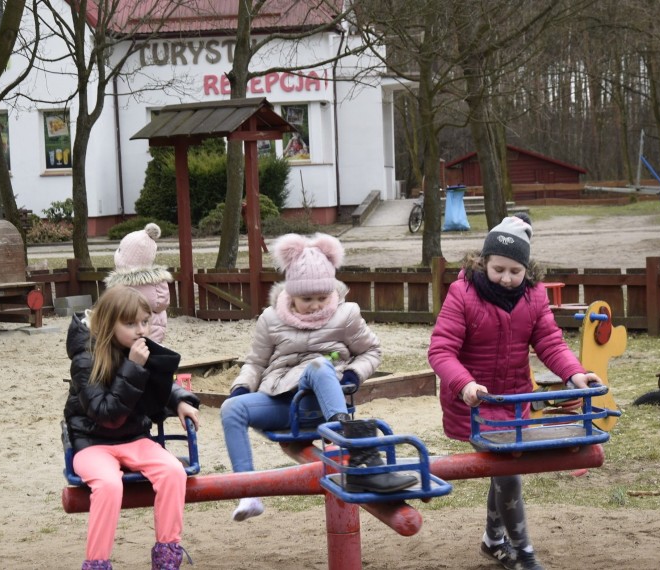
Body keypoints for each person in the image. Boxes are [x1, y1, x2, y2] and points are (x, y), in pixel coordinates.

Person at [428, 214, 602, 570]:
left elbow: (551, 343)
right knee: (507, 469)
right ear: (483, 262)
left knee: (504, 468)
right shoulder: (463, 293)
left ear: (527, 270)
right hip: (476, 404)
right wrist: (465, 385)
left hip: (515, 401)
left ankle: (493, 541)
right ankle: (522, 552)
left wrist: (576, 374)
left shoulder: (534, 297)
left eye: (515, 271)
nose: (506, 279)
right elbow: (441, 350)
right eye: (498, 269)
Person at [221, 233, 417, 522]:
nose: (314, 305)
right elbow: (255, 362)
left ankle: (348, 449)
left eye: (322, 298)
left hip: (322, 403)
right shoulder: (271, 319)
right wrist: (241, 388)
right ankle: (247, 491)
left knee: (319, 365)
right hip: (284, 403)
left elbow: (372, 351)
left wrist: (353, 373)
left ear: (332, 292)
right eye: (306, 299)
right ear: (290, 294)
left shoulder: (345, 315)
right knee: (230, 409)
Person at [64, 286, 200, 570]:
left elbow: (158, 385)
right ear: (107, 324)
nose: (140, 330)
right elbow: (105, 414)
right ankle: (97, 562)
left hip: (134, 438)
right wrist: (134, 367)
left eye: (144, 322)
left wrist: (179, 401)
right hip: (92, 442)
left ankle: (166, 556)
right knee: (109, 485)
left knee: (173, 471)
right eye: (130, 323)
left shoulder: (138, 349)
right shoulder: (85, 359)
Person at [104, 222, 173, 343]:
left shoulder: (122, 286)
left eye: (120, 250)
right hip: (155, 335)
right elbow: (162, 304)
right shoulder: (157, 283)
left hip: (129, 338)